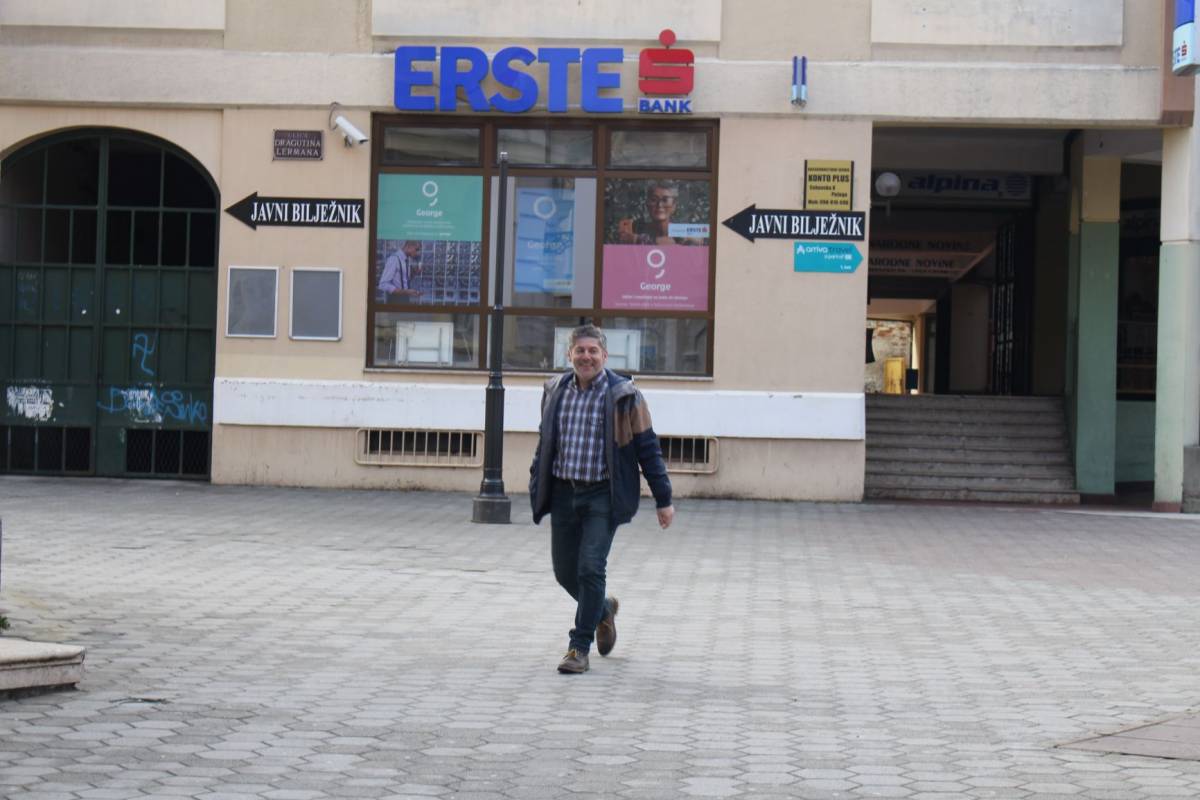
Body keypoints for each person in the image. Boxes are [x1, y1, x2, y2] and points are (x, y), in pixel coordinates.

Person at [529, 324, 675, 674]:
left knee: (590, 567)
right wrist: (536, 482)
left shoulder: (624, 395)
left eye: (593, 351)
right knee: (565, 572)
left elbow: (647, 447)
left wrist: (663, 498)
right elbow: (545, 443)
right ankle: (604, 610)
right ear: (569, 355)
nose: (586, 357)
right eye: (580, 350)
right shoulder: (554, 390)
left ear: (605, 356)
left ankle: (578, 647)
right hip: (564, 491)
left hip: (603, 494)